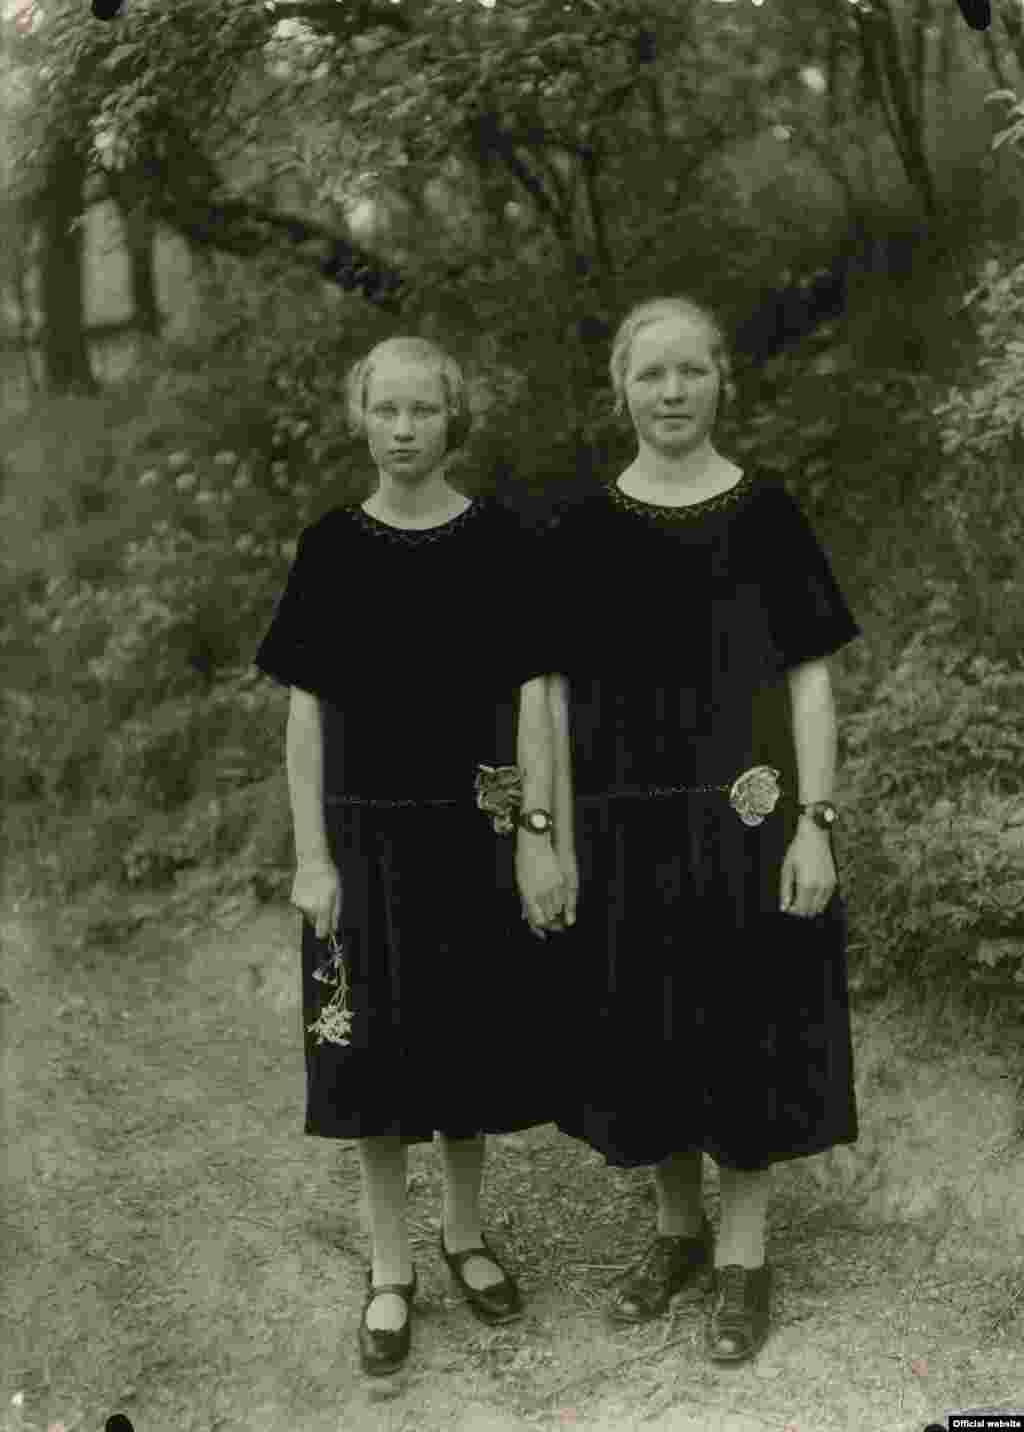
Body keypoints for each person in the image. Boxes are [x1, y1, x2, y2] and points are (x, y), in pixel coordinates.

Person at [546, 296, 862, 1364]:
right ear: (620, 389)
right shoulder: (583, 532)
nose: (671, 393)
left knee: (746, 1028)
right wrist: (547, 830)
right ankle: (675, 1235)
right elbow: (544, 693)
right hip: (626, 830)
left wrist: (816, 822)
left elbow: (812, 681)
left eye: (690, 372)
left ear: (723, 380)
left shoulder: (767, 515)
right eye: (651, 376)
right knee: (648, 1031)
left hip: (753, 823)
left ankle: (744, 1260)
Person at [253, 336, 566, 1378]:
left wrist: (533, 838)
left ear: (451, 419)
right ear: (361, 418)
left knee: (465, 1053)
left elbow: (531, 703)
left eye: (421, 411)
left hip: (471, 836)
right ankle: (390, 1268)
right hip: (362, 839)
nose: (401, 430)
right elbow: (306, 718)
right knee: (371, 1058)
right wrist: (311, 857)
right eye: (384, 410)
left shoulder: (503, 544)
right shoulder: (329, 549)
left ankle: (465, 1235)